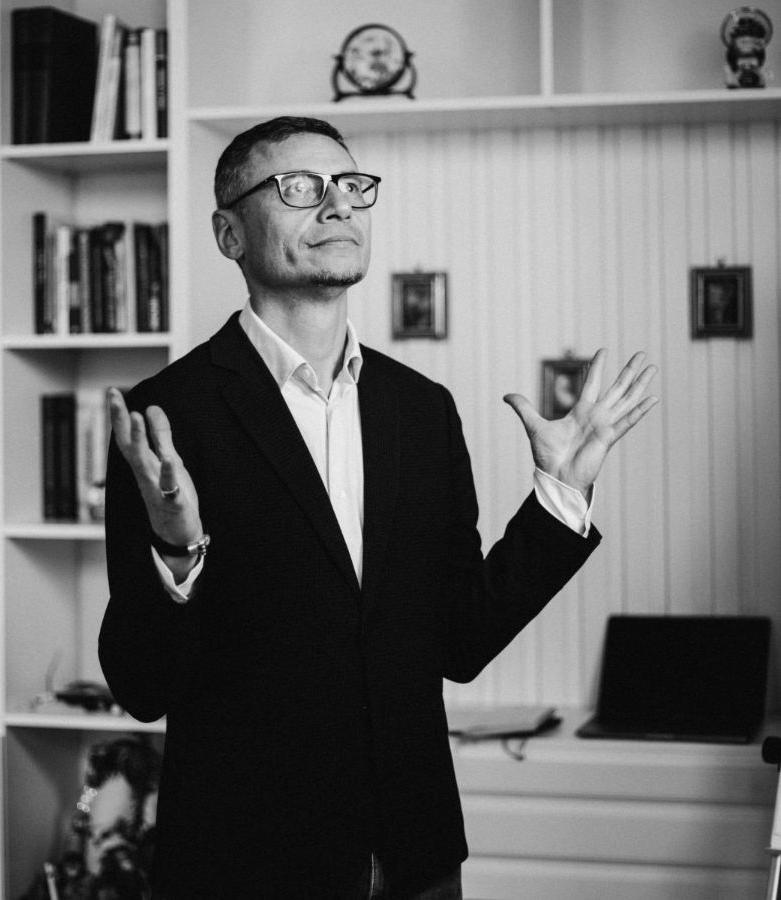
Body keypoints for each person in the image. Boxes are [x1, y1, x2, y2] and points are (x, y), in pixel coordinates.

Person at [99, 116, 658, 899]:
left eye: (352, 186)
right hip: (244, 864)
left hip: (415, 855)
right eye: (299, 187)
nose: (337, 205)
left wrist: (560, 496)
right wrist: (177, 552)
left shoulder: (421, 410)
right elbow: (140, 686)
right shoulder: (165, 418)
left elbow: (460, 639)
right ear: (229, 234)